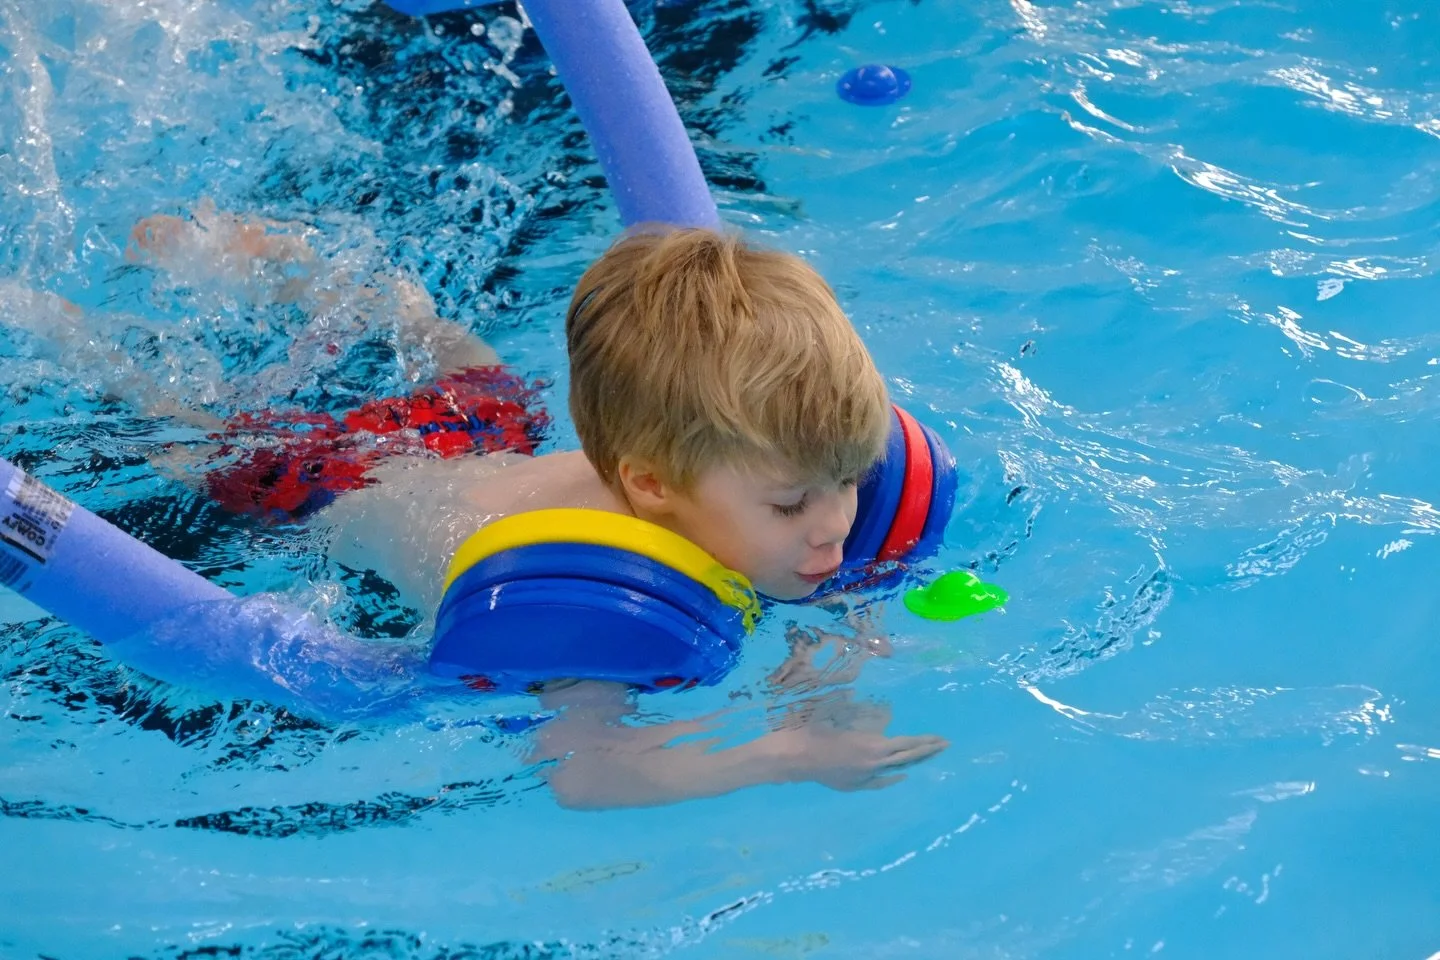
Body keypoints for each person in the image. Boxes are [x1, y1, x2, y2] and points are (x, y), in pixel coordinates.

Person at [9, 204, 951, 807]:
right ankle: (73, 340)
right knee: (192, 439)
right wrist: (774, 756)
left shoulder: (693, 457)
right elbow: (590, 775)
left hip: (480, 432)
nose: (835, 524)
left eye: (851, 479)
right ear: (653, 487)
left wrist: (838, 642)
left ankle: (284, 264)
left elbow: (818, 549)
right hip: (338, 481)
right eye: (793, 507)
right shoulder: (587, 612)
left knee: (453, 357)